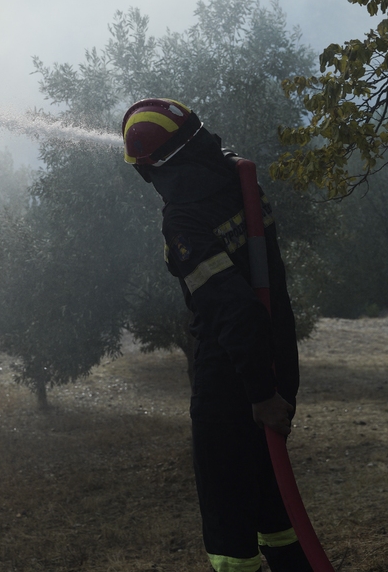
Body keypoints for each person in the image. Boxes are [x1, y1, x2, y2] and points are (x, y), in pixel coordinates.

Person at [121, 98, 312, 572]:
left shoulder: (183, 217)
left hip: (234, 378)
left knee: (229, 522)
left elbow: (233, 306)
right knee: (272, 499)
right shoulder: (240, 182)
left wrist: (260, 394)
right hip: (274, 357)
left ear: (153, 168)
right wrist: (271, 385)